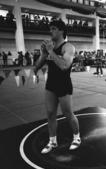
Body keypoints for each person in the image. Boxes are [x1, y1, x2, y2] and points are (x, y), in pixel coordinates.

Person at [33, 19, 81, 154]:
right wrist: (43, 54)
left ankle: (77, 137)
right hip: (51, 84)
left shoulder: (68, 47)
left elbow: (64, 66)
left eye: (53, 28)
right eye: (50, 29)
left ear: (61, 30)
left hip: (63, 84)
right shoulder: (50, 47)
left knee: (68, 113)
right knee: (50, 114)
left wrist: (51, 51)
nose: (50, 31)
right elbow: (37, 66)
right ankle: (53, 142)